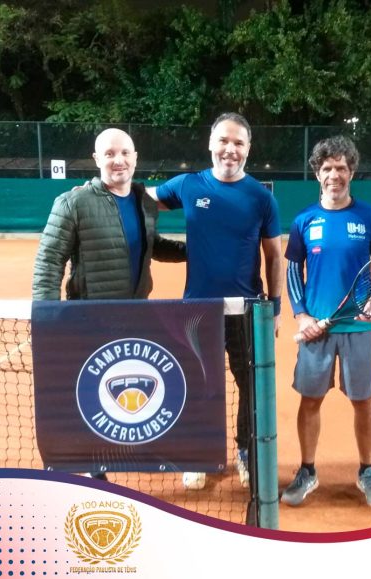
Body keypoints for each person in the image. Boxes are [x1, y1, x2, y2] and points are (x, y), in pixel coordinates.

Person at [33, 128, 186, 480]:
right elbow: (49, 261)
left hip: (135, 315)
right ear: (96, 159)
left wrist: (192, 251)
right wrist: (46, 317)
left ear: (135, 157)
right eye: (110, 154)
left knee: (123, 383)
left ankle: (119, 448)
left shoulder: (144, 202)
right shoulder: (72, 203)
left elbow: (150, 245)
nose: (119, 160)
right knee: (88, 391)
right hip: (90, 318)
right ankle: (91, 465)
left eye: (125, 153)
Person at [146, 112, 283, 490]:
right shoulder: (188, 185)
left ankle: (245, 451)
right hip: (197, 312)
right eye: (224, 140)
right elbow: (141, 200)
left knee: (250, 386)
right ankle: (200, 454)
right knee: (198, 385)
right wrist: (101, 190)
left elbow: (274, 256)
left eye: (239, 143)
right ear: (210, 143)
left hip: (246, 311)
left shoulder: (261, 197)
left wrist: (274, 308)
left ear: (248, 149)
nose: (230, 149)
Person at [281, 135, 371, 509]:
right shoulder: (304, 221)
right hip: (317, 329)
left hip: (359, 327)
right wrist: (302, 315)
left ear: (351, 172)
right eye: (327, 168)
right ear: (317, 173)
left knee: (363, 401)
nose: (334, 175)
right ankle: (307, 470)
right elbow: (293, 270)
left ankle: (367, 470)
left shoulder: (369, 217)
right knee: (310, 400)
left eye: (341, 168)